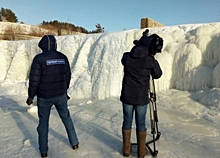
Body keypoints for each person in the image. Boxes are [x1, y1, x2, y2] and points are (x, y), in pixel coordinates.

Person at [26, 35, 79, 158]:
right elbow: (67, 76)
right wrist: (65, 90)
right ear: (55, 44)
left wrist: (31, 96)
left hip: (44, 97)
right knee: (67, 118)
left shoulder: (39, 58)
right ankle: (74, 142)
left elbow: (34, 80)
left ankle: (44, 151)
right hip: (60, 95)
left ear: (43, 46)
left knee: (43, 123)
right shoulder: (62, 57)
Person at [120, 29, 163, 158]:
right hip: (141, 98)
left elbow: (124, 59)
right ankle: (140, 152)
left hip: (127, 96)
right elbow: (157, 74)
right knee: (141, 123)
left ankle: (126, 150)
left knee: (127, 121)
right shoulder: (149, 60)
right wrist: (152, 59)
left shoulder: (127, 57)